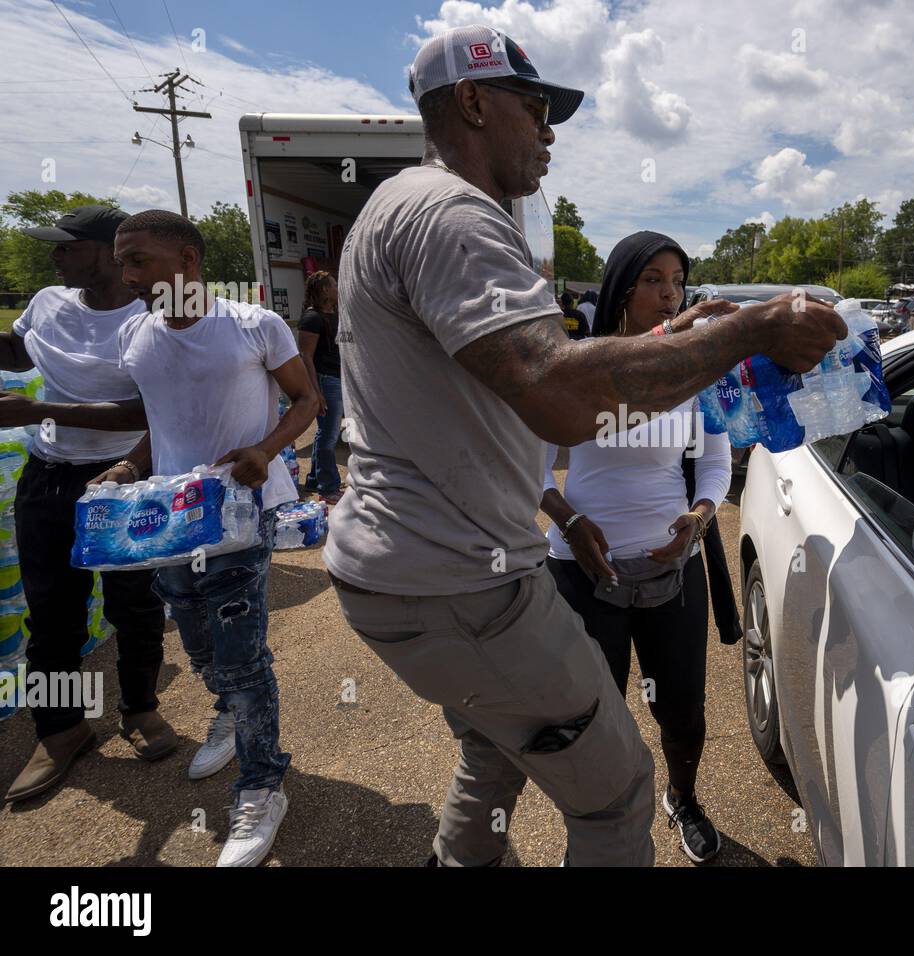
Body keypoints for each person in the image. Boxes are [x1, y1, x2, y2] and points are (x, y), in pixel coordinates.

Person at [322, 24, 844, 868]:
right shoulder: (451, 212)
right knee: (616, 790)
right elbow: (562, 395)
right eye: (535, 108)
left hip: (411, 567)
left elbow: (556, 395)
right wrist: (751, 329)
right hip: (461, 578)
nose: (550, 130)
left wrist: (686, 343)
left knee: (496, 747)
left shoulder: (401, 204)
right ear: (471, 102)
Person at [106, 209, 318, 867]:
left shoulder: (255, 326)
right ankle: (227, 711)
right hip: (169, 521)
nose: (127, 274)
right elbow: (162, 420)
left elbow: (309, 402)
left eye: (139, 259)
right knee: (195, 640)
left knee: (243, 653)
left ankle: (261, 786)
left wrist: (267, 450)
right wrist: (130, 465)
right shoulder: (135, 336)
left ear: (189, 260)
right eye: (122, 260)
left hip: (239, 517)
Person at [541, 231, 732, 862]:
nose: (668, 293)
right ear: (622, 287)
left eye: (677, 280)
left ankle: (684, 798)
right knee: (593, 715)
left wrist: (699, 518)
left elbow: (714, 460)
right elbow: (529, 465)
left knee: (682, 709)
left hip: (670, 568)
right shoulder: (582, 364)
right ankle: (607, 823)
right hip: (581, 571)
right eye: (652, 279)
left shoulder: (692, 368)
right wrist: (568, 520)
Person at [0, 205, 175, 804]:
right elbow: (20, 354)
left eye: (67, 247)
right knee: (51, 613)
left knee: (134, 604)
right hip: (47, 479)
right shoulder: (48, 302)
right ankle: (61, 730)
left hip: (121, 480)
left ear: (106, 251)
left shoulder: (148, 318)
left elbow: (146, 414)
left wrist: (37, 411)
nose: (55, 257)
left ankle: (140, 710)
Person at [297, 271, 345, 503]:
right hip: (326, 381)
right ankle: (329, 488)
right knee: (329, 436)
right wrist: (316, 392)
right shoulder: (312, 318)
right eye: (334, 284)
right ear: (324, 290)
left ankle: (316, 479)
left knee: (322, 433)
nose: (337, 288)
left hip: (335, 379)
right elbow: (306, 357)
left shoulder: (331, 314)